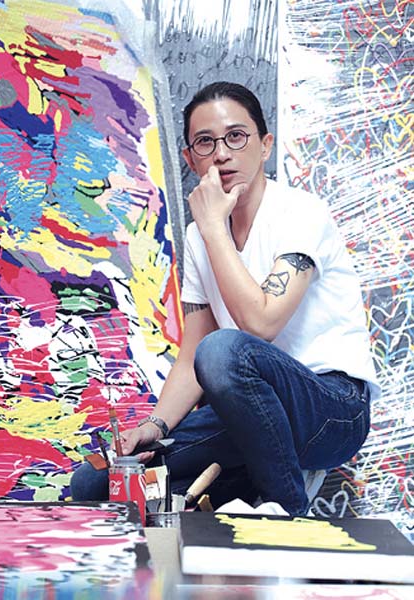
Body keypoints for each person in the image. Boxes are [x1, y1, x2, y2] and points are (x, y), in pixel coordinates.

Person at [70, 81, 379, 515]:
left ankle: (289, 513)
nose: (221, 154)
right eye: (205, 142)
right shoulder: (199, 236)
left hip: (332, 410)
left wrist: (215, 227)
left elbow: (261, 323)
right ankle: (239, 494)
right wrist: (155, 424)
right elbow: (192, 355)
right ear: (189, 158)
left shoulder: (300, 213)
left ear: (265, 145)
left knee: (224, 351)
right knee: (97, 481)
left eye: (236, 136)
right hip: (248, 415)